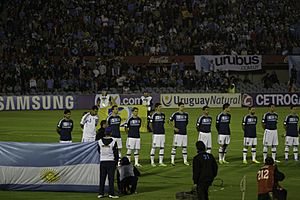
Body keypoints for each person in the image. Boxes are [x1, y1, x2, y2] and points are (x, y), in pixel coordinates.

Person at [98, 127, 119, 199]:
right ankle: (111, 193)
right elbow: (116, 154)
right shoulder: (114, 141)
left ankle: (101, 193)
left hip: (103, 161)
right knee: (111, 178)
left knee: (102, 178)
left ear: (105, 133)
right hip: (111, 161)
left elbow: (99, 151)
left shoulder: (100, 141)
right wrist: (116, 163)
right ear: (111, 133)